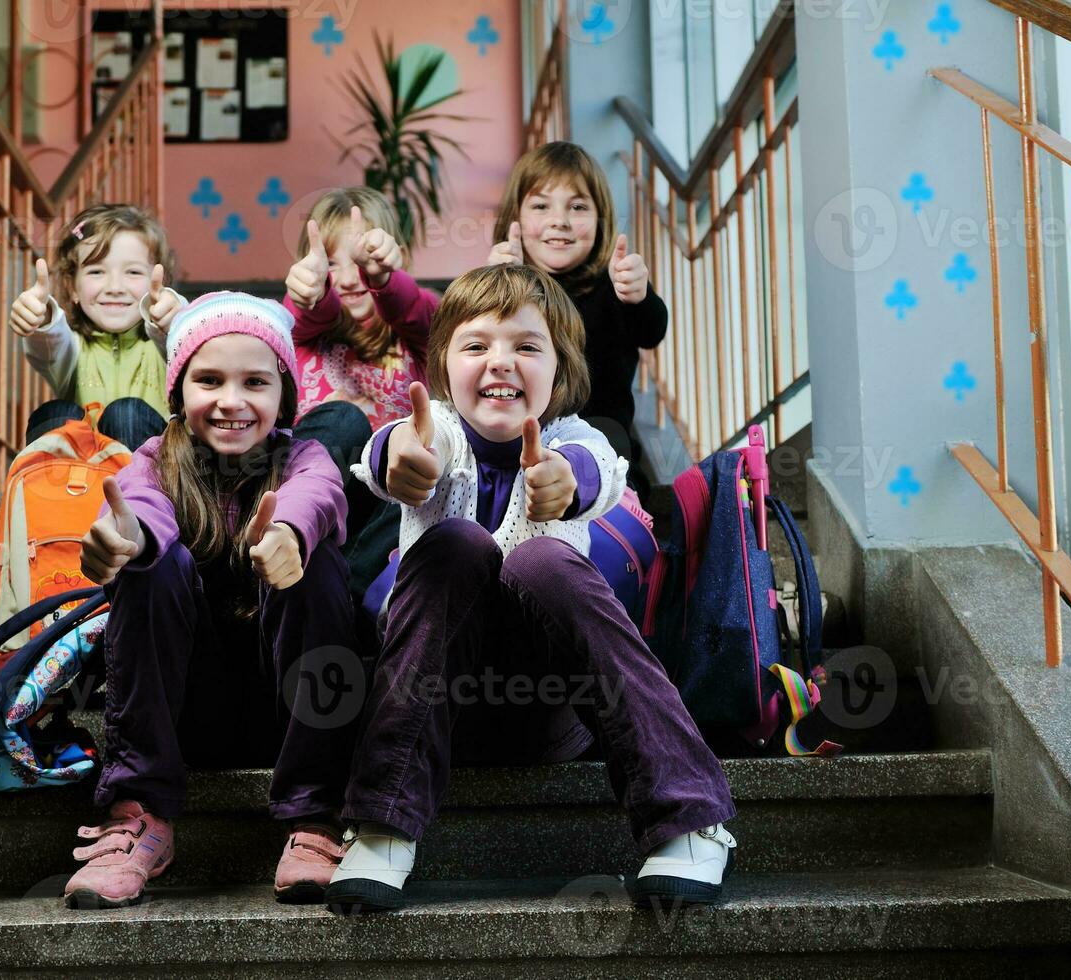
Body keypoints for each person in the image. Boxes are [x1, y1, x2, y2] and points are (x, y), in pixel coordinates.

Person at [325, 265, 736, 914]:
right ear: (441, 368)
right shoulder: (436, 435)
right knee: (458, 542)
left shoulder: (577, 438)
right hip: (436, 715)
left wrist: (564, 485)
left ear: (559, 369)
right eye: (476, 345)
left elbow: (592, 473)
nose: (500, 361)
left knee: (542, 559)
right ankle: (382, 823)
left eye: (525, 346)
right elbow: (393, 450)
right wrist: (405, 460)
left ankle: (689, 818)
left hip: (551, 715)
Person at [66, 292, 361, 909]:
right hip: (183, 714)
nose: (232, 401)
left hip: (285, 713)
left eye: (255, 381)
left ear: (284, 397)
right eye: (209, 380)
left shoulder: (303, 456)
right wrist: (128, 539)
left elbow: (319, 495)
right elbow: (138, 508)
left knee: (320, 564)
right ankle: (140, 813)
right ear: (178, 394)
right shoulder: (154, 459)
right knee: (153, 564)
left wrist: (289, 536)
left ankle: (315, 816)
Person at [282, 187, 439, 594]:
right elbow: (309, 316)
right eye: (331, 264)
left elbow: (417, 312)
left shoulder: (419, 337)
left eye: (360, 263)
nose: (350, 278)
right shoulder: (298, 336)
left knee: (410, 462)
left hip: (380, 522)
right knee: (344, 419)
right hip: (305, 506)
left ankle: (343, 604)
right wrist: (312, 295)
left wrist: (384, 280)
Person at [489, 141, 667, 492]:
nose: (560, 221)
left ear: (600, 221)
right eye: (541, 206)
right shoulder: (502, 288)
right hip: (517, 445)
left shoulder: (613, 286)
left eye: (578, 207)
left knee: (612, 452)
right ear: (516, 219)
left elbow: (651, 329)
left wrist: (639, 296)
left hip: (600, 450)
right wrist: (496, 292)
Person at [9, 203, 187, 450]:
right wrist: (43, 317)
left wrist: (172, 315)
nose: (114, 286)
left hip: (152, 476)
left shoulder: (165, 345)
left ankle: (134, 490)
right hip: (82, 480)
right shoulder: (72, 351)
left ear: (158, 282)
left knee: (125, 413)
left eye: (133, 272)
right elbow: (51, 343)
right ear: (73, 288)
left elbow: (183, 339)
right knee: (56, 415)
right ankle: (51, 487)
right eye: (96, 271)